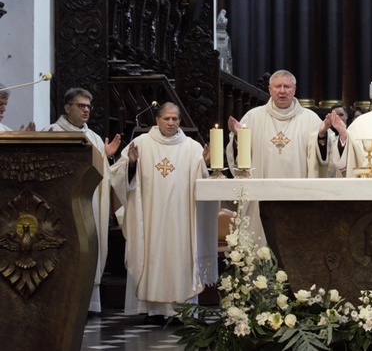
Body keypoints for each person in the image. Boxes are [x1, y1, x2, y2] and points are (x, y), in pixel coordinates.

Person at [110, 102, 217, 322]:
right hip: (151, 218)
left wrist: (204, 164)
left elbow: (202, 183)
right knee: (152, 255)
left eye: (175, 119)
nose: (171, 123)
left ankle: (182, 310)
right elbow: (119, 178)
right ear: (157, 120)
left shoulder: (192, 147)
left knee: (182, 256)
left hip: (182, 218)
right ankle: (153, 310)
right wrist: (131, 163)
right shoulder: (140, 144)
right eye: (166, 118)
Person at [226, 70, 339, 241]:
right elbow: (240, 163)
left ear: (294, 89)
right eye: (278, 86)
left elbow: (324, 162)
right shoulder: (253, 117)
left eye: (287, 86)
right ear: (270, 89)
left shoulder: (310, 119)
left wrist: (321, 136)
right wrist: (238, 139)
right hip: (260, 199)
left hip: (298, 198)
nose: (282, 91)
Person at [44, 87, 122, 314]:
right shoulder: (53, 133)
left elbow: (103, 176)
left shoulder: (94, 138)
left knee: (90, 248)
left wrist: (105, 157)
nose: (86, 110)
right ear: (67, 107)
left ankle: (89, 305)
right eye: (81, 106)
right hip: (64, 207)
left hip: (91, 206)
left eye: (88, 106)